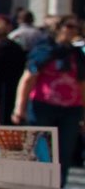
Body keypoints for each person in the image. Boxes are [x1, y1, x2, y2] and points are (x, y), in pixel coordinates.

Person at [14, 17, 85, 179]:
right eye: (69, 26)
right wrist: (20, 107)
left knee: (65, 152)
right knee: (39, 149)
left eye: (76, 27)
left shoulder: (77, 55)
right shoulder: (44, 50)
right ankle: (36, 183)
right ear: (59, 28)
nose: (72, 30)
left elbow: (82, 84)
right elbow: (28, 79)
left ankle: (59, 186)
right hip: (43, 106)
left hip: (71, 109)